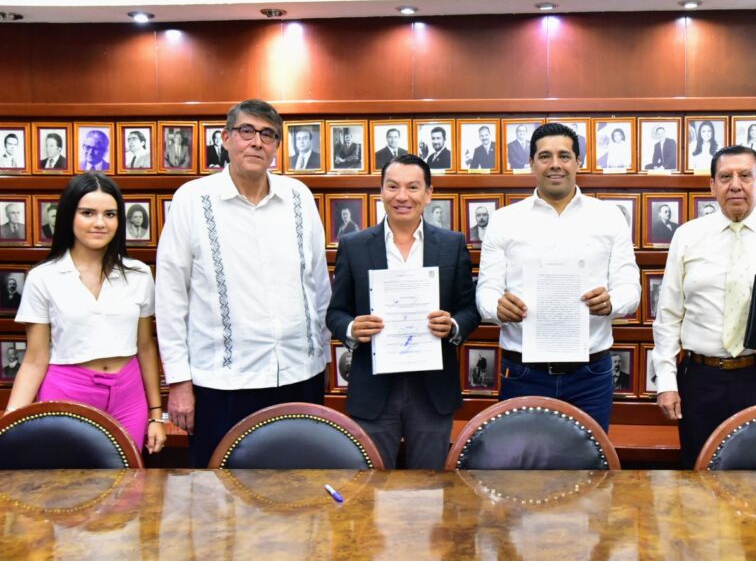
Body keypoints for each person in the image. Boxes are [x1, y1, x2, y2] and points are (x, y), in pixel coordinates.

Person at [156, 99, 331, 468]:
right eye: (246, 131)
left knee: (299, 486)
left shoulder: (299, 197)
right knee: (220, 490)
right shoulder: (192, 199)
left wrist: (323, 357)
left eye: (267, 135)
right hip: (223, 383)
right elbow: (170, 299)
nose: (256, 142)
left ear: (277, 146)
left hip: (299, 375)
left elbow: (318, 284)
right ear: (226, 139)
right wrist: (179, 383)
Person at [652, 145, 756, 468]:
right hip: (701, 381)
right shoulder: (687, 236)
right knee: (700, 474)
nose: (736, 185)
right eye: (725, 177)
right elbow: (669, 315)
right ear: (712, 186)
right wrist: (667, 383)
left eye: (745, 176)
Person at [476, 123, 640, 431]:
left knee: (589, 458)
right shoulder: (504, 220)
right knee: (521, 459)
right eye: (544, 156)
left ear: (578, 162)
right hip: (523, 371)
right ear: (531, 163)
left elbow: (630, 286)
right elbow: (486, 289)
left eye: (564, 156)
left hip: (590, 374)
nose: (555, 164)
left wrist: (612, 302)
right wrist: (496, 307)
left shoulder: (608, 217)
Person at [326, 154, 480, 469]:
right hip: (374, 388)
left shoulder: (451, 244)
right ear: (381, 191)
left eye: (413, 187)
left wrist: (452, 325)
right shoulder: (354, 245)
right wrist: (352, 328)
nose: (402, 196)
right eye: (393, 186)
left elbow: (469, 309)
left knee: (429, 484)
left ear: (429, 193)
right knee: (373, 485)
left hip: (432, 390)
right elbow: (336, 313)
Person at [3, 172, 166, 454]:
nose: (100, 223)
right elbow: (34, 359)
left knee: (128, 479)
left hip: (128, 395)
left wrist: (156, 415)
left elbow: (146, 347)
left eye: (110, 214)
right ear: (69, 216)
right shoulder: (43, 277)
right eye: (88, 213)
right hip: (67, 392)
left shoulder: (139, 274)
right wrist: (10, 420)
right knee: (66, 479)